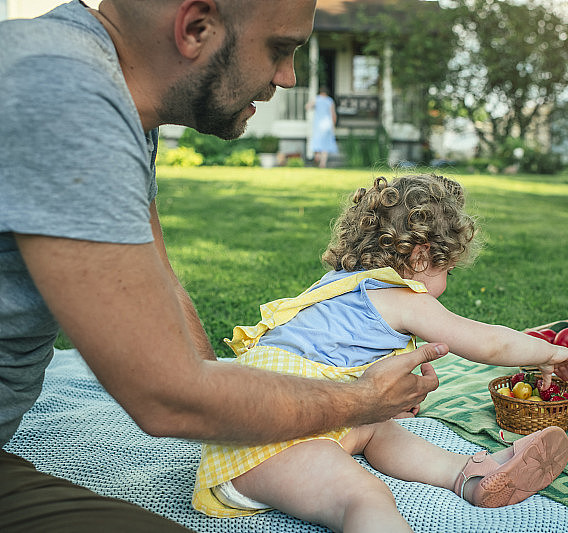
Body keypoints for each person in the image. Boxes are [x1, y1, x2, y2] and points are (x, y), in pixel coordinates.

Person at [0, 1, 447, 531]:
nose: (288, 77)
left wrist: (223, 396)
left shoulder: (112, 96)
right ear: (196, 27)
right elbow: (167, 400)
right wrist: (361, 400)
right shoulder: (65, 95)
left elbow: (160, 278)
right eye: (280, 49)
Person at [192, 174, 568, 532]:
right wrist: (548, 352)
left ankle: (469, 475)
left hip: (281, 418)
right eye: (447, 270)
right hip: (267, 446)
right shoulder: (404, 299)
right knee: (365, 497)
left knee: (375, 424)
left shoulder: (339, 285)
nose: (446, 281)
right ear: (421, 257)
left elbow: (339, 370)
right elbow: (489, 342)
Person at [306, 86, 339, 167]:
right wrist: (333, 125)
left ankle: (317, 156)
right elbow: (333, 114)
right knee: (325, 145)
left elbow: (307, 107)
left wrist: (313, 107)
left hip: (318, 124)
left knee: (317, 142)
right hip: (328, 124)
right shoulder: (329, 100)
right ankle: (323, 163)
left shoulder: (317, 99)